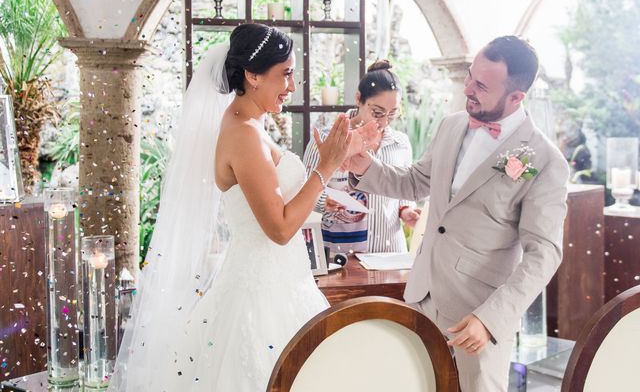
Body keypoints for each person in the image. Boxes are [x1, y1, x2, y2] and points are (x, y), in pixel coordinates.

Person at [109, 24, 376, 391]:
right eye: (285, 74)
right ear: (252, 75)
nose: (292, 87)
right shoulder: (243, 133)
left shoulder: (252, 125)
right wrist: (326, 167)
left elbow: (274, 201)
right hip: (261, 296)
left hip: (285, 284)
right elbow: (279, 228)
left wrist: (331, 179)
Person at [345, 36, 569, 392]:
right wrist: (365, 166)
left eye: (481, 85)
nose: (468, 89)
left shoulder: (545, 161)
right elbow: (417, 180)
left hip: (476, 318)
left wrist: (491, 318)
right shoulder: (452, 125)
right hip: (420, 297)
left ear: (516, 97)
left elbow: (544, 254)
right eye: (469, 76)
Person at [303, 59, 421, 254]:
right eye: (377, 112)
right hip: (339, 257)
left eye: (392, 114)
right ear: (359, 99)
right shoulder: (326, 140)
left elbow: (402, 192)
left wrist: (406, 211)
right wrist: (325, 202)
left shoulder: (401, 143)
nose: (384, 121)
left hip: (389, 256)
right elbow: (303, 193)